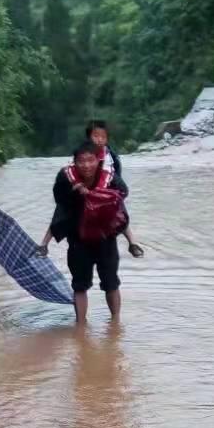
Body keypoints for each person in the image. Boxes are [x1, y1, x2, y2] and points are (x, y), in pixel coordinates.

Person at [37, 141, 129, 323]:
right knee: (79, 285)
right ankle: (80, 325)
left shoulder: (110, 180)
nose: (86, 165)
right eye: (81, 161)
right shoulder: (66, 180)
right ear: (75, 162)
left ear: (98, 161)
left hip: (106, 240)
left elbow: (121, 213)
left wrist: (132, 241)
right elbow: (60, 212)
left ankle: (116, 324)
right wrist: (44, 243)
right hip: (78, 241)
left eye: (90, 160)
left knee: (111, 283)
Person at [85, 120, 143, 257]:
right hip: (88, 190)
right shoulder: (82, 155)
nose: (99, 140)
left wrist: (111, 198)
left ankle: (132, 243)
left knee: (119, 210)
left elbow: (121, 184)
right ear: (88, 138)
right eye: (95, 136)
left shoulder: (110, 155)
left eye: (103, 137)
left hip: (108, 188)